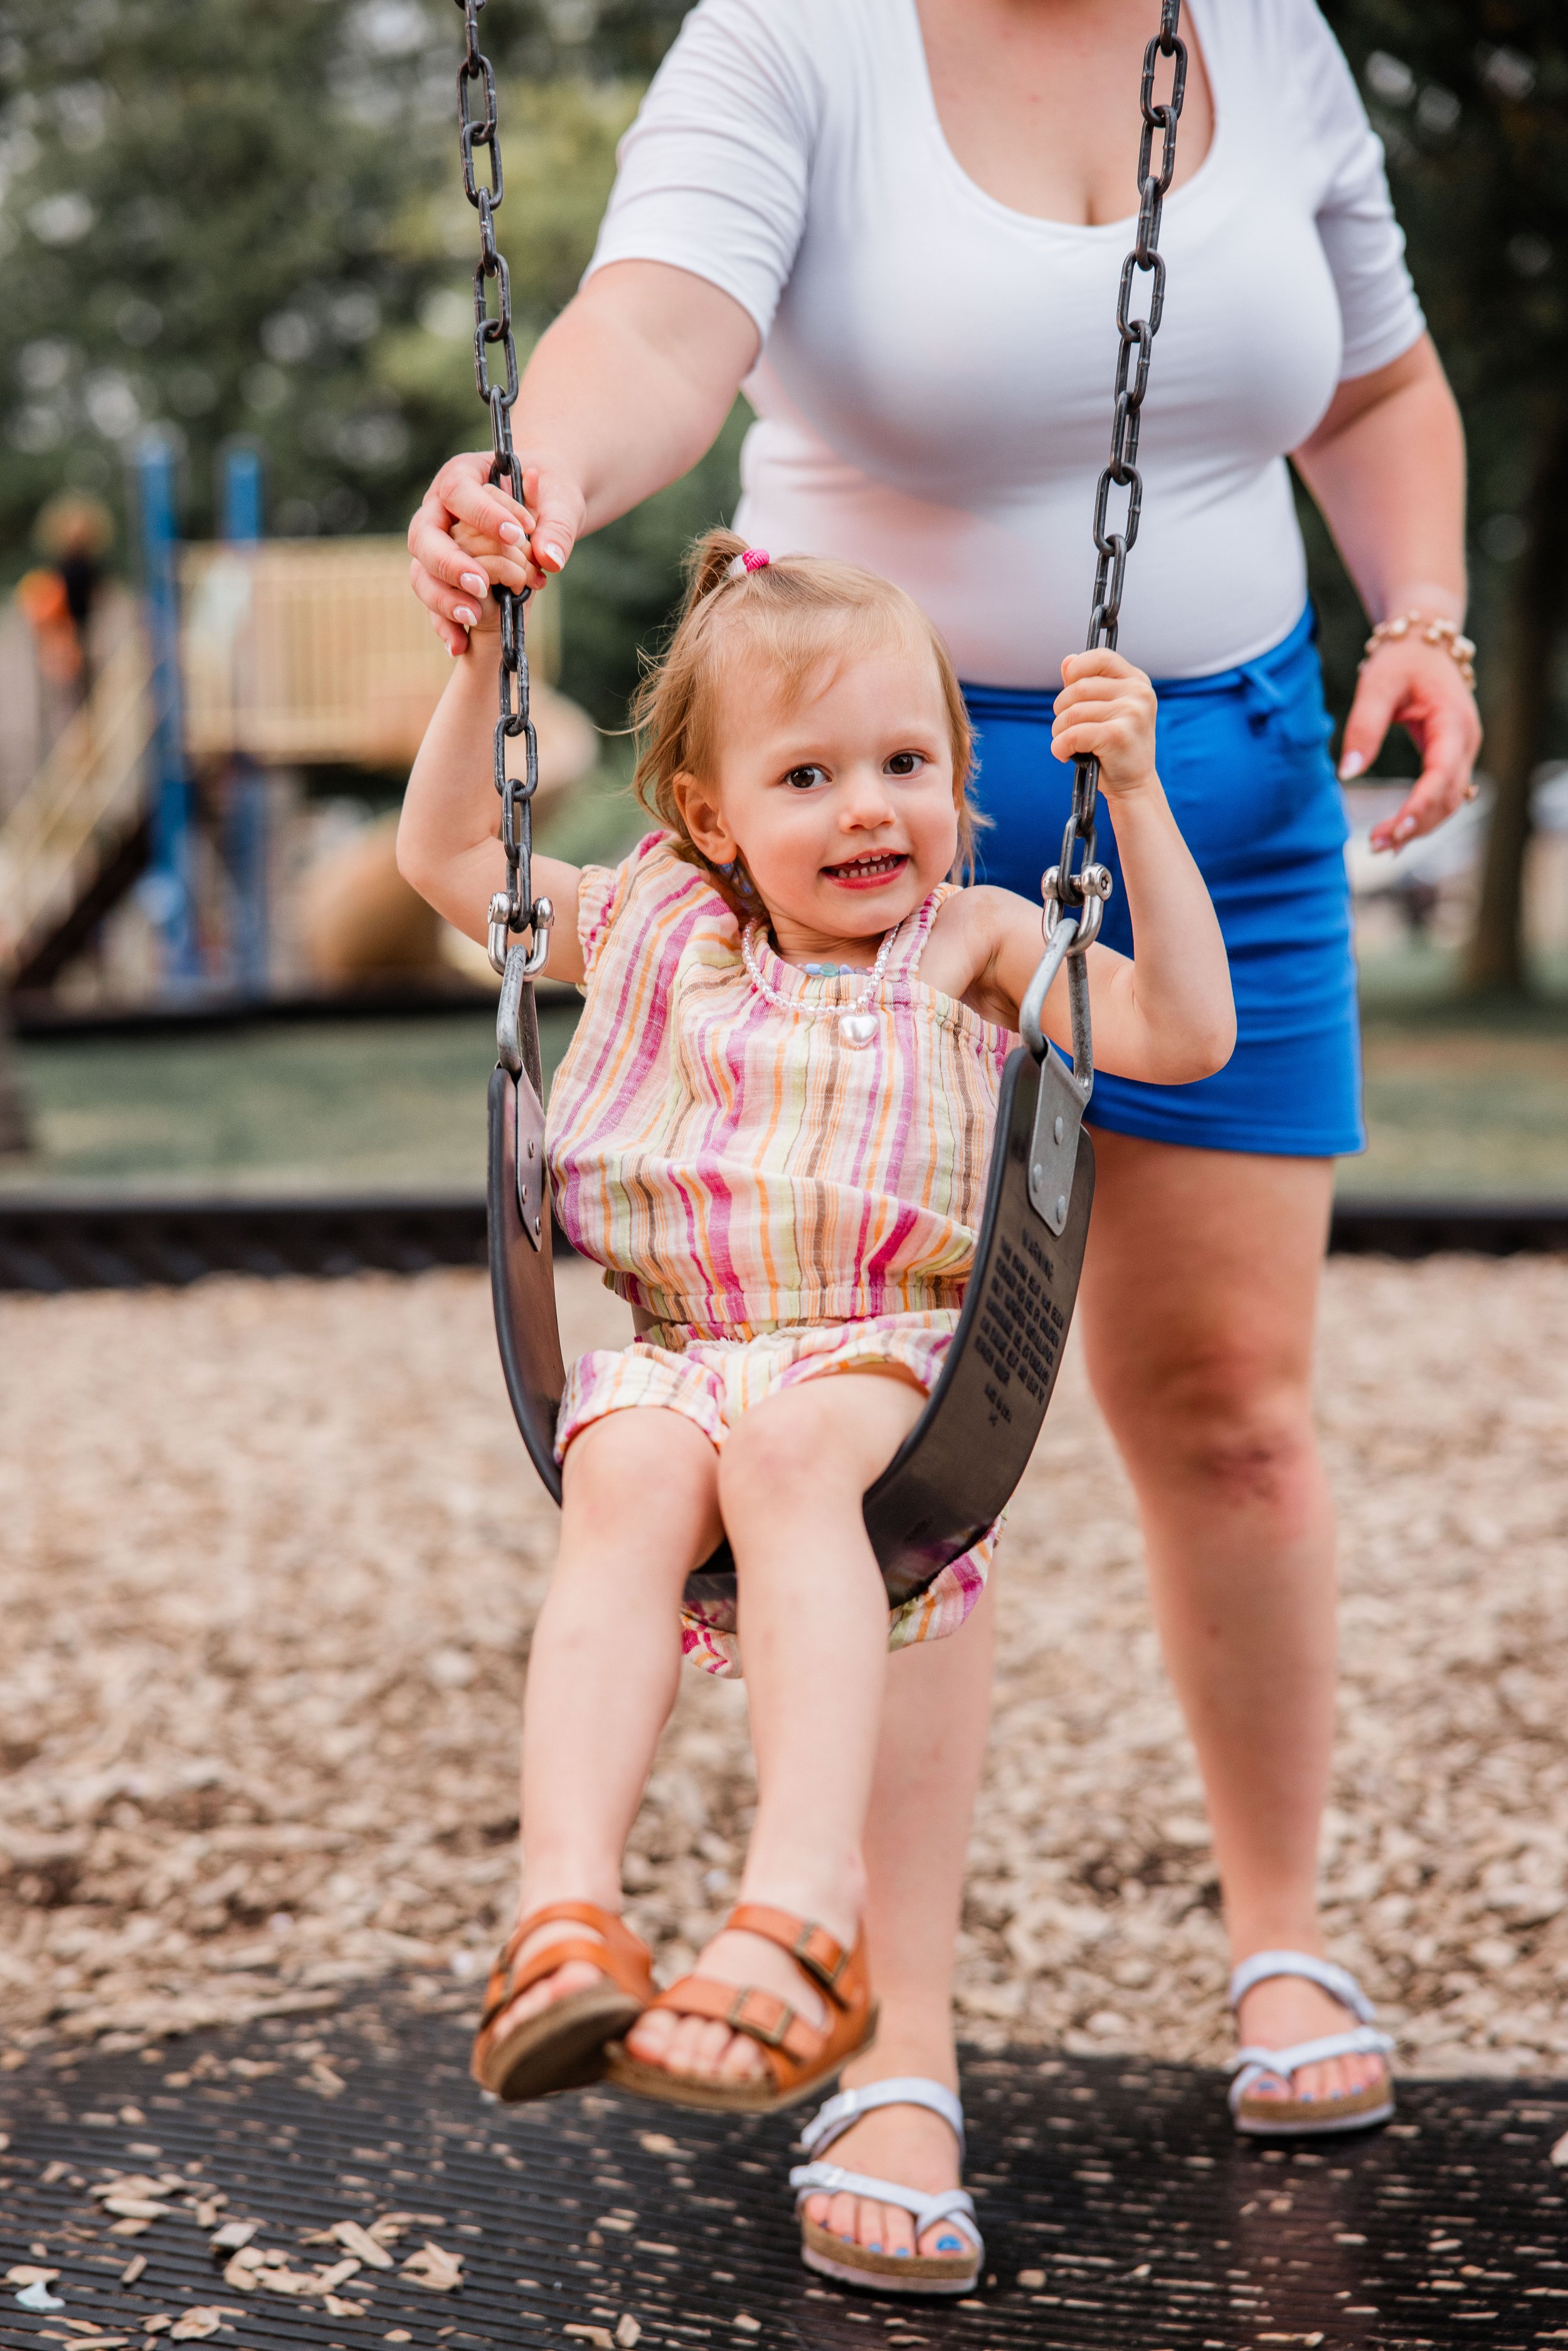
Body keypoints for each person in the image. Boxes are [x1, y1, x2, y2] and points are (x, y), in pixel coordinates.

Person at [407, 0, 1481, 2271]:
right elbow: (657, 320)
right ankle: (884, 2039)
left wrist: (1424, 610)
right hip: (850, 767)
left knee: (1230, 1411)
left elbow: (1372, 386)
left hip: (1209, 784)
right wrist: (545, 487)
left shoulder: (1262, 36)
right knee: (863, 1431)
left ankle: (1277, 1930)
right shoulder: (797, 38)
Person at [397, 531, 1233, 2288]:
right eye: (809, 777)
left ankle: (797, 1915)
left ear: (959, 777)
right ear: (707, 816)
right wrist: (482, 664)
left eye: (907, 765)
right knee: (621, 1471)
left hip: (874, 1356)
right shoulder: (641, 924)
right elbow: (447, 850)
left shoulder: (978, 941)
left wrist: (1135, 797)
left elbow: (1178, 1030)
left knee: (783, 1459)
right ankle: (565, 1911)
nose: (871, 810)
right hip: (682, 1341)